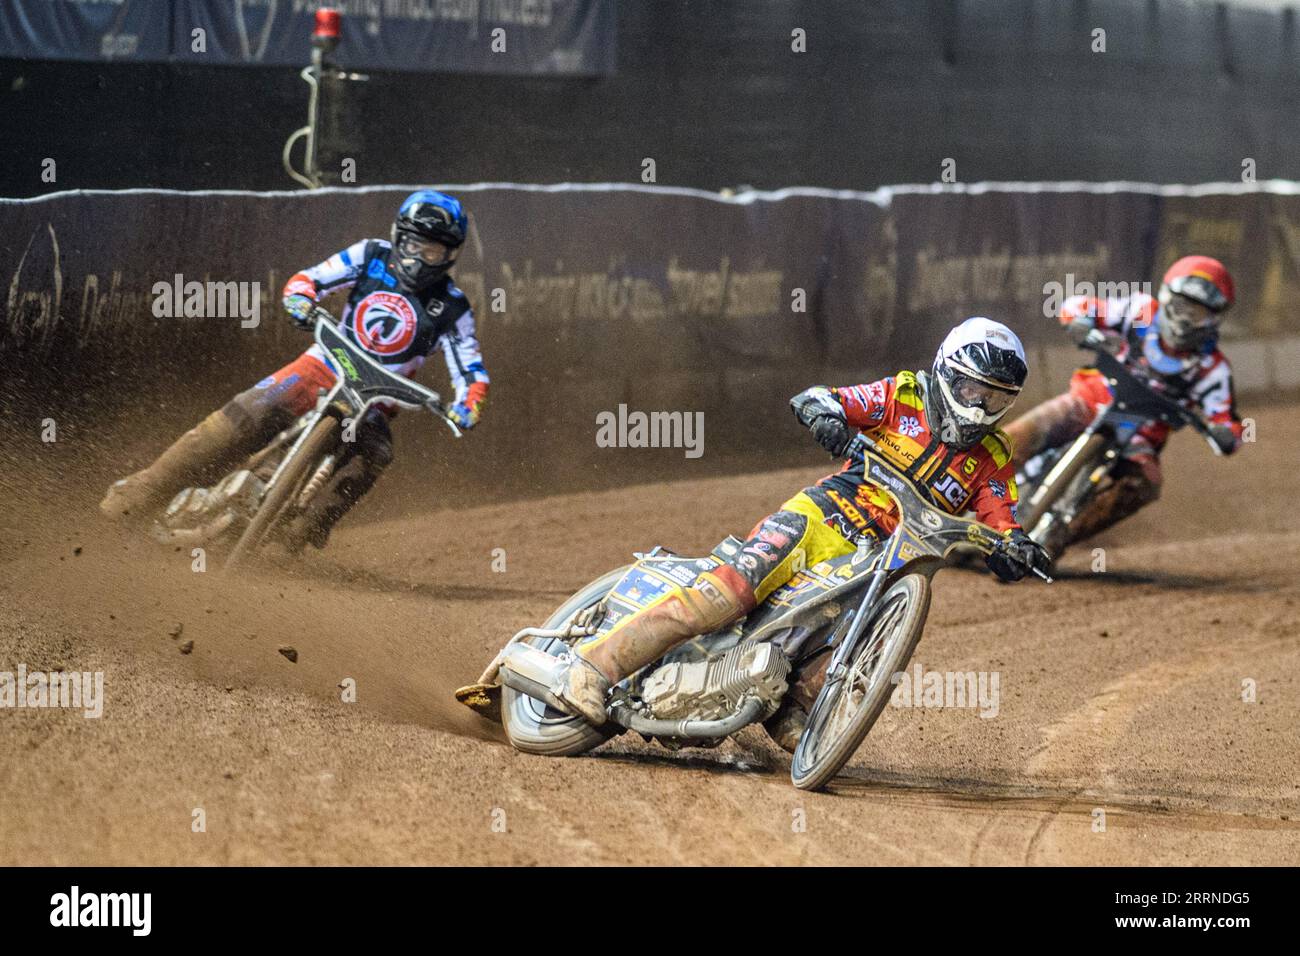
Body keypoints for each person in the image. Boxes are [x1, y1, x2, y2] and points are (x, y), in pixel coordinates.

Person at [552, 317, 1050, 727]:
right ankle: (593, 668)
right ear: (946, 371)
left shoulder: (992, 454)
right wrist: (827, 416)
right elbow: (822, 397)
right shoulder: (902, 395)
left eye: (996, 399)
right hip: (822, 517)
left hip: (882, 559)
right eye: (972, 390)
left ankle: (797, 713)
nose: (980, 407)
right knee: (724, 595)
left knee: (857, 640)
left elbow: (1001, 517)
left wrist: (1016, 547)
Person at [100, 189, 489, 548]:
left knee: (378, 455)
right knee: (239, 418)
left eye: (433, 251)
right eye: (413, 245)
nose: (419, 258)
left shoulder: (453, 308)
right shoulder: (371, 255)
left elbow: (470, 370)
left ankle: (301, 537)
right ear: (398, 236)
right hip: (320, 367)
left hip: (375, 403)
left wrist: (468, 404)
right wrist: (301, 299)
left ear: (450, 255)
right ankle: (137, 495)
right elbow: (311, 278)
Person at [1003, 255, 1243, 550]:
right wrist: (1080, 322)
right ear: (1166, 296)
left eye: (1197, 314)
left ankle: (1057, 537)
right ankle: (960, 487)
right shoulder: (1140, 310)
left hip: (1140, 437)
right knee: (1018, 437)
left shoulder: (1212, 368)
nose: (1184, 319)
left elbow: (1225, 418)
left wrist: (1226, 434)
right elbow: (1079, 306)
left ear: (1214, 318)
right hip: (1089, 400)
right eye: (1182, 307)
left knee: (1146, 483)